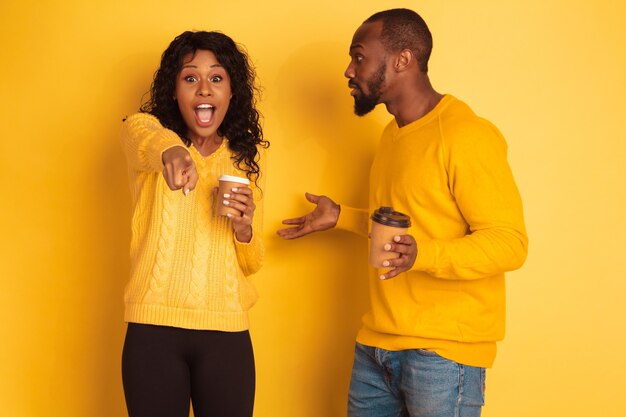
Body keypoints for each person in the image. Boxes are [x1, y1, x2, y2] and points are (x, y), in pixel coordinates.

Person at [278, 8, 527, 417]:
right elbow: (402, 223)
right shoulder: (392, 136)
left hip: (443, 356)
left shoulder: (466, 135)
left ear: (403, 59)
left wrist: (422, 256)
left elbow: (510, 243)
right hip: (377, 346)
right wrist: (340, 215)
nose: (348, 70)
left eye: (359, 56)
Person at [119, 30, 268, 417]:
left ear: (231, 93)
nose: (204, 89)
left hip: (226, 334)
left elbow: (252, 262)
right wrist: (170, 151)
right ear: (174, 91)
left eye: (216, 78)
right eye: (190, 78)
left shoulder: (242, 162)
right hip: (153, 331)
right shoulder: (154, 144)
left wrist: (244, 227)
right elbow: (136, 130)